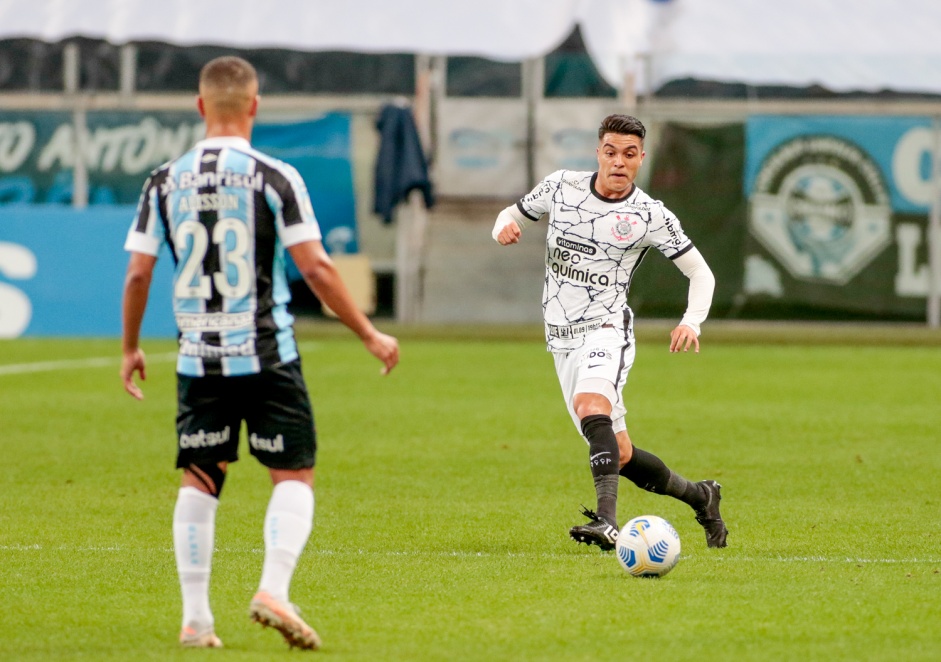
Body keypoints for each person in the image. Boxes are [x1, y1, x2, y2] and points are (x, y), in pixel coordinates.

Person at [120, 55, 399, 650]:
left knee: (200, 478)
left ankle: (196, 620)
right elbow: (317, 268)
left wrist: (129, 347)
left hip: (198, 360)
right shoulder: (275, 176)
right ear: (254, 106)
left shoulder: (162, 180)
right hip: (268, 354)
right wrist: (369, 333)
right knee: (292, 474)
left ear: (199, 107)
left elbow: (138, 275)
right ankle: (273, 588)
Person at [491, 114, 727, 552]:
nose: (619, 162)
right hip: (560, 338)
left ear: (641, 159)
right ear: (598, 152)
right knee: (618, 453)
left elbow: (701, 273)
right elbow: (513, 213)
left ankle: (606, 521)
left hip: (606, 329)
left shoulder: (649, 215)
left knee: (591, 405)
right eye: (611, 152)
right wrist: (505, 225)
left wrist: (690, 321)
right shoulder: (562, 186)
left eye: (630, 154)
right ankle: (701, 495)